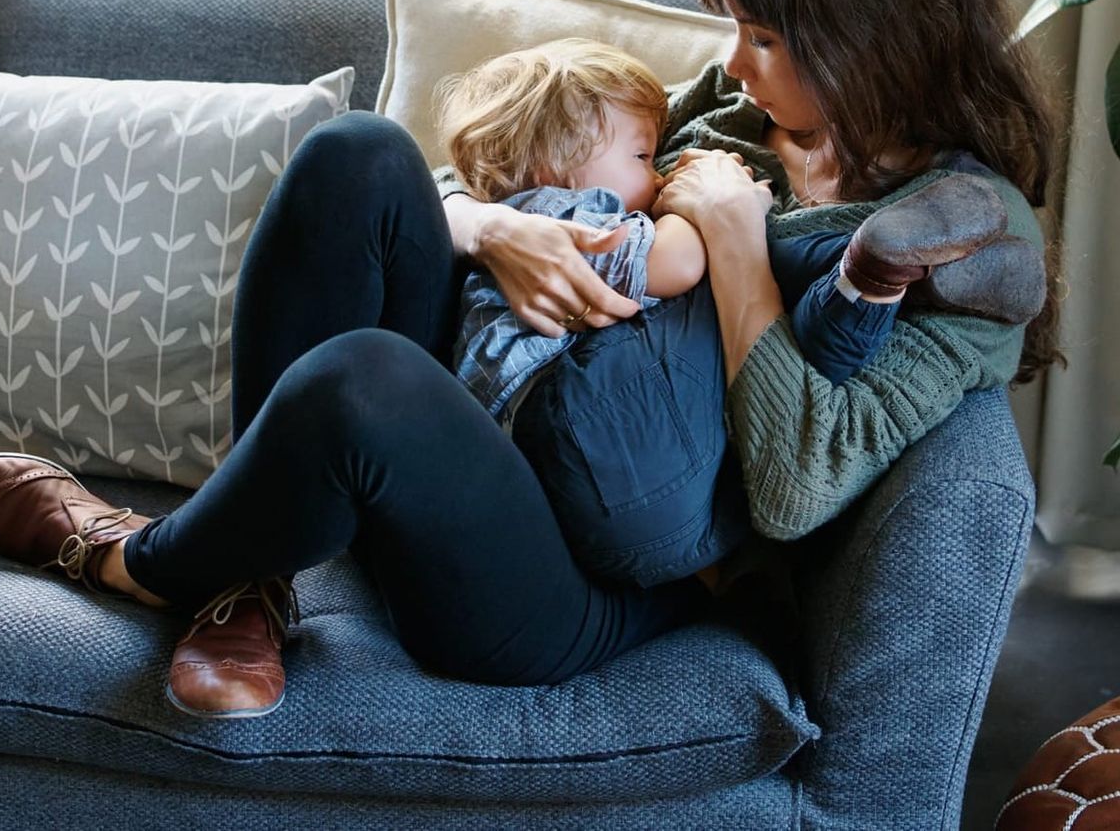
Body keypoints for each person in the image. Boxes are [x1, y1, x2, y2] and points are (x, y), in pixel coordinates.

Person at [0, 0, 1060, 724]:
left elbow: (800, 485)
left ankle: (129, 560)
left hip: (578, 575)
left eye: (762, 36)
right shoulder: (742, 113)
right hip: (505, 406)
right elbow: (535, 173)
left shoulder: (951, 247)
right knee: (358, 158)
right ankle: (257, 584)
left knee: (363, 380)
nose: (728, 61)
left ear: (868, 44)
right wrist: (493, 231)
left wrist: (729, 234)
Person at [435, 37, 1043, 586]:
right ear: (552, 164)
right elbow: (680, 262)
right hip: (585, 427)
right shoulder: (567, 217)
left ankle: (873, 282)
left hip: (647, 471)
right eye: (644, 158)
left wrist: (722, 215)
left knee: (792, 338)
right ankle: (878, 265)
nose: (731, 62)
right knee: (745, 276)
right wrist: (719, 207)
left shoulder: (587, 169)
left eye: (762, 36)